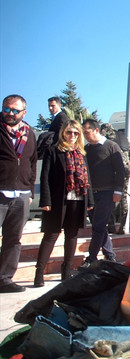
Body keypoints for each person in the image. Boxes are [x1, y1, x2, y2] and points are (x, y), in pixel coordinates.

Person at [35, 120, 93, 286]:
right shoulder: (53, 151)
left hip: (78, 199)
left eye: (76, 133)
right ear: (63, 133)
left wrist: (90, 200)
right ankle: (39, 273)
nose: (72, 136)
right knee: (51, 235)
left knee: (72, 235)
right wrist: (45, 200)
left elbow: (87, 179)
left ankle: (66, 272)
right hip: (57, 200)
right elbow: (45, 177)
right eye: (69, 132)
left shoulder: (81, 153)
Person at [0, 95, 37, 293]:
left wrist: (30, 190)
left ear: (23, 113)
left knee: (13, 239)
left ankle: (4, 279)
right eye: (6, 109)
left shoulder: (29, 133)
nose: (10, 114)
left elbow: (32, 162)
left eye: (15, 110)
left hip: (21, 193)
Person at [80, 119, 124, 267]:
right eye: (84, 133)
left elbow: (120, 170)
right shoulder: (86, 149)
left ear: (96, 130)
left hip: (108, 192)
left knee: (98, 225)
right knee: (99, 225)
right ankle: (110, 254)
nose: (85, 135)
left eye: (87, 132)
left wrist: (118, 191)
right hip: (91, 194)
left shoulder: (111, 146)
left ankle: (92, 257)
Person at [100, 123, 130, 234]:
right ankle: (123, 226)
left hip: (114, 169)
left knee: (110, 196)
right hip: (126, 169)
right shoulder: (123, 136)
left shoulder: (107, 137)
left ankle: (111, 225)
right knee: (123, 197)